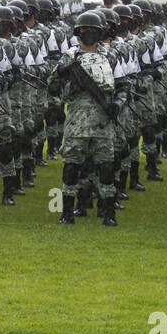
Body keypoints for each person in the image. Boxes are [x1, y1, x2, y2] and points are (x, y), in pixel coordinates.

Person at [51, 12, 122, 226]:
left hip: (103, 121)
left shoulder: (110, 56)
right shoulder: (69, 56)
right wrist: (66, 78)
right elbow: (52, 85)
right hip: (77, 121)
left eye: (92, 30)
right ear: (77, 32)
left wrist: (117, 105)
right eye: (83, 30)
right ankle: (67, 212)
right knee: (72, 166)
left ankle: (108, 212)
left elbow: (124, 85)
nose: (88, 33)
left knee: (106, 168)